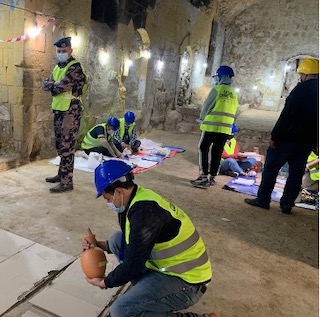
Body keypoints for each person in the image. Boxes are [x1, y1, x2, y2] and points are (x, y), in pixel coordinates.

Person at [83, 160, 218, 317]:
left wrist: (105, 282)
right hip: (166, 268)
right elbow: (134, 243)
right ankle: (147, 299)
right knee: (115, 240)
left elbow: (133, 265)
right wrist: (98, 244)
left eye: (107, 199)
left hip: (187, 281)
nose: (108, 203)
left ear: (118, 192)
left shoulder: (144, 213)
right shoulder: (135, 199)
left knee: (121, 310)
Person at [244, 58, 319, 214]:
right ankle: (287, 205)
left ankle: (263, 200)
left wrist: (275, 136)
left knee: (271, 170)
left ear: (304, 73)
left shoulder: (300, 90)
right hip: (305, 143)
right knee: (296, 174)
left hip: (287, 140)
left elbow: (287, 115)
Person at [42, 37, 87, 193]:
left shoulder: (75, 68)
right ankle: (61, 175)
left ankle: (67, 182)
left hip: (71, 112)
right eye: (59, 51)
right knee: (60, 146)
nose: (61, 53)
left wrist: (53, 86)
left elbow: (61, 86)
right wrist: (54, 85)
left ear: (70, 51)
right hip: (59, 110)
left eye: (64, 51)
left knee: (67, 146)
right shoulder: (58, 67)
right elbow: (45, 84)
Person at [191, 65, 238, 188]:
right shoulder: (234, 93)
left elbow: (207, 106)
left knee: (203, 148)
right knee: (217, 153)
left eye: (217, 77)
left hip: (211, 127)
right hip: (225, 129)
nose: (216, 79)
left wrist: (201, 119)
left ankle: (203, 176)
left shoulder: (217, 89)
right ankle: (212, 177)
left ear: (221, 77)